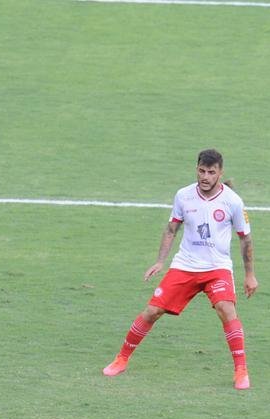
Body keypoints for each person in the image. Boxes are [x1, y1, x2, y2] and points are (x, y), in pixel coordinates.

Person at [102, 149, 257, 389]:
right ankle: (121, 359)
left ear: (220, 173)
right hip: (185, 266)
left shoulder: (233, 202)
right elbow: (171, 229)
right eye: (201, 171)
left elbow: (245, 239)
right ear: (196, 168)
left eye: (211, 172)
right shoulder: (183, 196)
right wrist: (160, 261)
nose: (205, 176)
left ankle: (241, 371)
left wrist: (249, 275)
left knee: (226, 309)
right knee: (152, 311)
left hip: (217, 268)